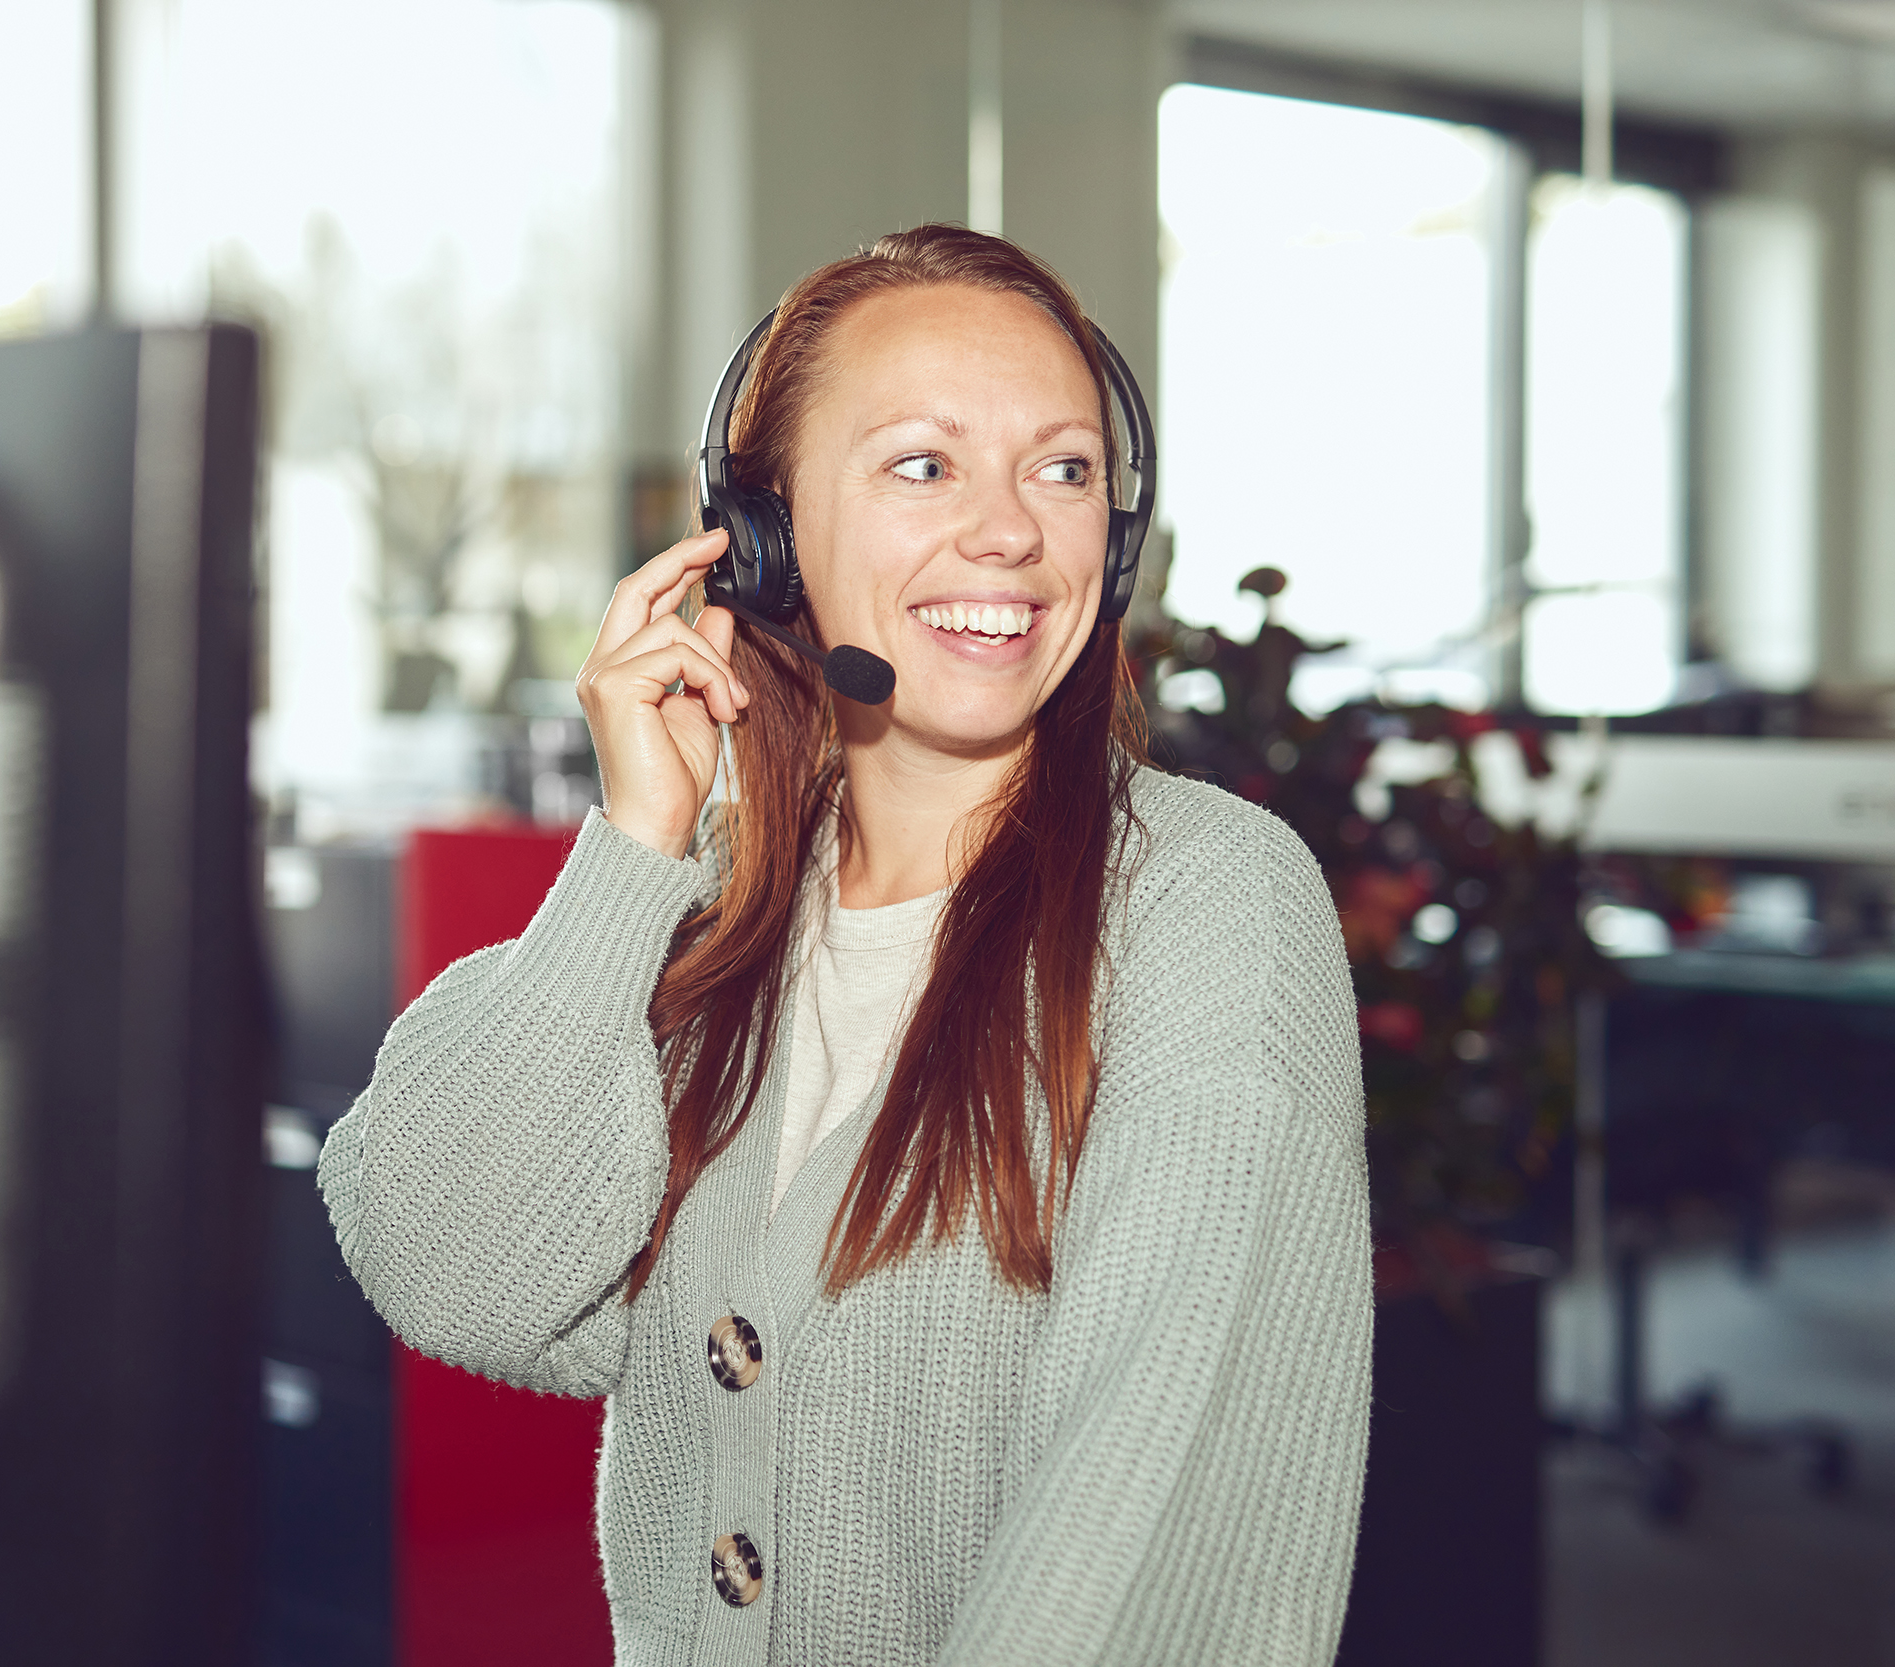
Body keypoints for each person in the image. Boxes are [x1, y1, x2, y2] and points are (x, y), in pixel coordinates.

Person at [319, 225, 1371, 1665]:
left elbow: (1157, 1547)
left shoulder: (1206, 900)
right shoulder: (703, 910)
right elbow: (463, 1273)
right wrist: (634, 846)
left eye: (1063, 470)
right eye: (923, 465)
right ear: (763, 544)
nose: (1011, 530)